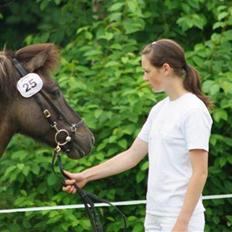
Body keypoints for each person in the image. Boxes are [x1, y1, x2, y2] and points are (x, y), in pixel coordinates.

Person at [63, 39, 213, 232]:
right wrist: (85, 176)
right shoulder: (159, 110)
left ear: (165, 69)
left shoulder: (193, 110)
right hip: (155, 215)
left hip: (180, 218)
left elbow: (200, 172)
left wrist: (182, 224)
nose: (144, 78)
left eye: (147, 71)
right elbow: (131, 156)